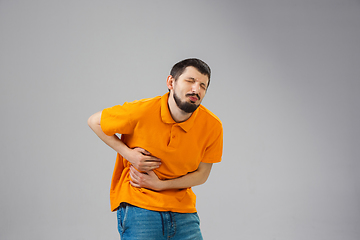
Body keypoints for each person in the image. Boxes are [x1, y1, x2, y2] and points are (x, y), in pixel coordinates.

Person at [88, 58, 223, 240]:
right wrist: (130, 155)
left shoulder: (212, 126)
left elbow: (202, 174)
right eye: (190, 81)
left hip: (183, 210)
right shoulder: (142, 111)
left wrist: (161, 185)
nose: (196, 90)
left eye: (202, 86)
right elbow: (94, 121)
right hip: (139, 206)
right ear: (171, 82)